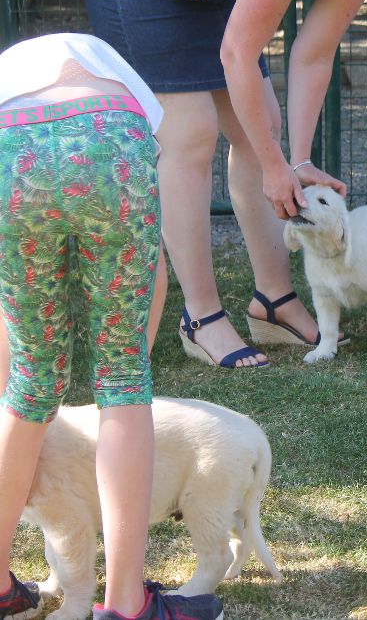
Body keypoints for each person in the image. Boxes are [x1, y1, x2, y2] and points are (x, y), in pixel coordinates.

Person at [83, 0, 367, 368]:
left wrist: (297, 161)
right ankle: (200, 317)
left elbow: (313, 56)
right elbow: (238, 52)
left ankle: (274, 302)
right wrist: (276, 167)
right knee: (191, 132)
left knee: (263, 127)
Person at [0, 33, 223, 620]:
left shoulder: (11, 73)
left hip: (8, 145)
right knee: (124, 381)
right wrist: (124, 384)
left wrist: (27, 376)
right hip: (109, 139)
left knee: (28, 387)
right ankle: (126, 605)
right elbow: (153, 285)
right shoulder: (127, 89)